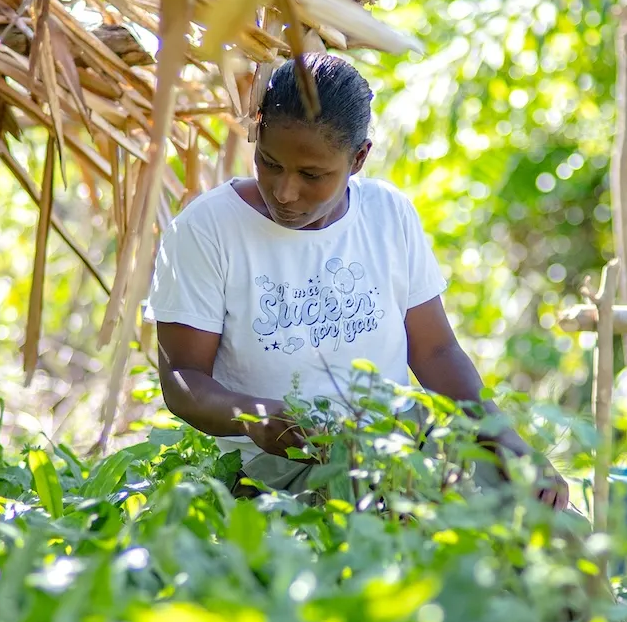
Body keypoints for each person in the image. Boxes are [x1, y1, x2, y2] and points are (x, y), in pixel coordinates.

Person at [145, 53, 574, 514]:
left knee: (555, 534)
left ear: (359, 158)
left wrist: (504, 437)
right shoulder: (208, 229)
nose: (285, 191)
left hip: (402, 447)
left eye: (312, 175)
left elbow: (435, 352)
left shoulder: (387, 214)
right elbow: (182, 379)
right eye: (269, 163)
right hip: (277, 471)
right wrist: (256, 417)